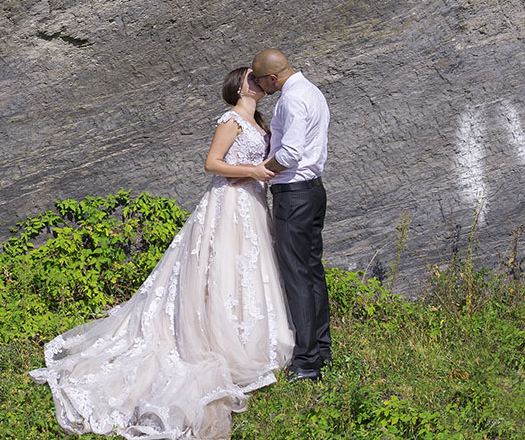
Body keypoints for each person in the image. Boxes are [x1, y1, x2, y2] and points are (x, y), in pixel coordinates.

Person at [30, 68, 293, 439]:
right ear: (238, 87)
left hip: (251, 202)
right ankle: (218, 338)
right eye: (252, 77)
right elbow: (212, 163)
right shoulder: (231, 120)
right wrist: (253, 171)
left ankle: (249, 335)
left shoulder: (259, 123)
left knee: (247, 269)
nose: (258, 81)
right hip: (230, 201)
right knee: (221, 267)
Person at [250, 48, 331, 382]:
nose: (259, 86)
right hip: (312, 191)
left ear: (272, 78)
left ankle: (307, 361)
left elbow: (290, 153)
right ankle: (321, 349)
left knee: (297, 277)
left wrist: (260, 170)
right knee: (311, 272)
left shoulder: (292, 99)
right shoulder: (312, 91)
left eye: (260, 81)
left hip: (294, 194)